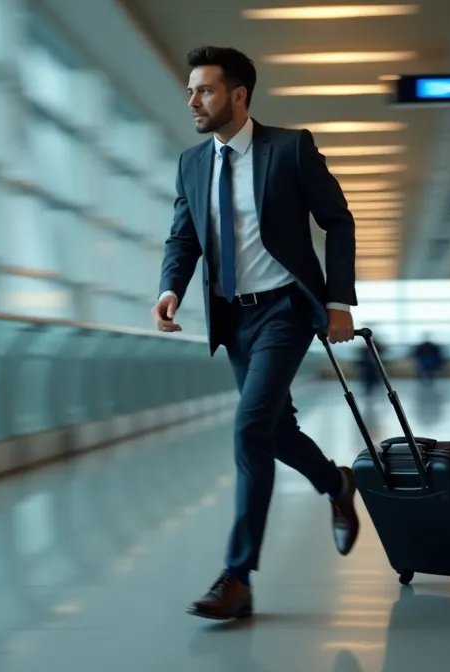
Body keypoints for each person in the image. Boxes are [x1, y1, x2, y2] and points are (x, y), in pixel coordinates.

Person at [151, 45, 360, 620]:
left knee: (248, 430)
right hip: (232, 316)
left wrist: (338, 301)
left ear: (239, 95)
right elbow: (184, 236)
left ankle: (237, 577)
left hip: (285, 310)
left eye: (205, 90)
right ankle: (337, 483)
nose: (192, 100)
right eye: (191, 90)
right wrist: (171, 287)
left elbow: (338, 220)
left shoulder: (291, 148)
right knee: (274, 429)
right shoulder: (192, 162)